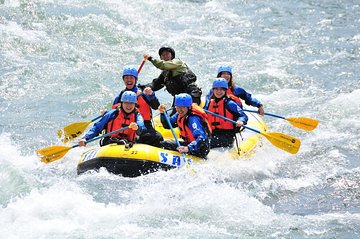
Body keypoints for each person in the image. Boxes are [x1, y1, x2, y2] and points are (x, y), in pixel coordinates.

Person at [112, 67, 163, 147]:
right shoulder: (121, 96)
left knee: (158, 138)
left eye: (131, 78)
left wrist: (152, 95)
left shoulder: (143, 92)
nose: (129, 80)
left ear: (135, 80)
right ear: (124, 80)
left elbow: (156, 106)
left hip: (144, 125)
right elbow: (113, 114)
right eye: (126, 78)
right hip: (126, 125)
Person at [79, 91, 146, 147]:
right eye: (126, 103)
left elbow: (142, 127)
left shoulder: (137, 116)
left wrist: (137, 128)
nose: (129, 106)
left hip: (128, 144)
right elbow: (97, 128)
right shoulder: (112, 114)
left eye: (131, 103)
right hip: (109, 143)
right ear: (122, 103)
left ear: (135, 104)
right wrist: (86, 138)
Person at [158, 93, 211, 159]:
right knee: (165, 143)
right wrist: (163, 114)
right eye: (177, 107)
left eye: (182, 107)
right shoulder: (179, 114)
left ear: (188, 107)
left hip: (199, 149)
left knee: (167, 144)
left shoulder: (193, 119)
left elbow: (202, 138)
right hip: (189, 144)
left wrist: (188, 148)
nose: (179, 110)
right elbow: (168, 125)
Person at [204, 78, 248, 149]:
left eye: (221, 89)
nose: (219, 91)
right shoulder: (209, 103)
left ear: (225, 90)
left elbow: (243, 115)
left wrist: (241, 121)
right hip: (212, 134)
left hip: (227, 136)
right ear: (213, 90)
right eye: (216, 89)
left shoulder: (230, 103)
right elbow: (202, 115)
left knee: (204, 143)